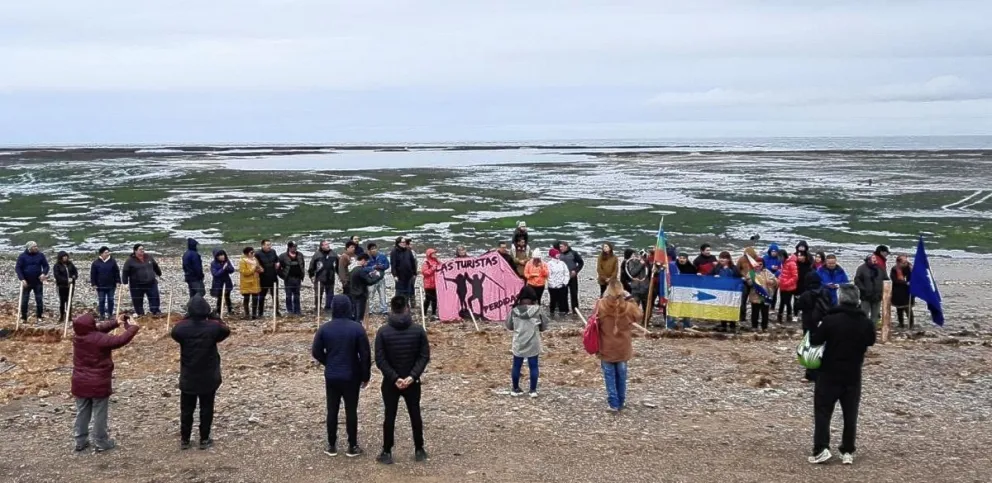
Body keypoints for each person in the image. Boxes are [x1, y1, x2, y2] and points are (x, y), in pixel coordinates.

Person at [808, 284, 876, 465]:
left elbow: (815, 340)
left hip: (829, 372)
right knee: (850, 413)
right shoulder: (866, 322)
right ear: (858, 300)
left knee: (823, 411)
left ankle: (821, 448)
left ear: (840, 298)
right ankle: (847, 451)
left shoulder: (830, 320)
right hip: (853, 373)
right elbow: (871, 340)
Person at [312, 295, 372, 458]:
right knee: (351, 410)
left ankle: (331, 445)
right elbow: (365, 354)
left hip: (332, 374)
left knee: (332, 409)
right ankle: (352, 445)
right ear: (348, 307)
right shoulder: (357, 328)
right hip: (352, 374)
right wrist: (365, 375)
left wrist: (328, 362)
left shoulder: (324, 328)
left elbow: (316, 352)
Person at [70, 312, 139, 453]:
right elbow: (119, 341)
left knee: (82, 412)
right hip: (98, 382)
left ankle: (80, 441)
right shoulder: (99, 339)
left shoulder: (78, 337)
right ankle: (101, 442)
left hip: (80, 382)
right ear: (90, 325)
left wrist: (115, 322)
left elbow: (96, 330)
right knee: (100, 414)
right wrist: (133, 328)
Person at [374, 296, 431, 465]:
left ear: (391, 309)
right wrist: (412, 376)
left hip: (391, 382)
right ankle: (419, 449)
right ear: (407, 307)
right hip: (412, 382)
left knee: (389, 416)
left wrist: (394, 377)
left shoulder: (383, 332)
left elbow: (380, 359)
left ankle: (387, 450)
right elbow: (424, 356)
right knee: (415, 414)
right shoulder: (418, 330)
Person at [170, 295, 231, 450]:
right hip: (208, 374)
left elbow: (175, 333)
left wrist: (187, 318)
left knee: (186, 409)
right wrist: (214, 317)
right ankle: (204, 439)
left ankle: (185, 439)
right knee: (206, 408)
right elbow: (225, 331)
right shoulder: (213, 327)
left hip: (189, 374)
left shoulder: (181, 328)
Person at [597, 279, 643, 413]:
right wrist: (630, 298)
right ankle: (621, 401)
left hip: (606, 346)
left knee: (609, 376)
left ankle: (613, 403)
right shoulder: (628, 306)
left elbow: (593, 322)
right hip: (623, 347)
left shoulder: (601, 305)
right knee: (621, 375)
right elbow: (639, 315)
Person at [505, 286, 547, 398]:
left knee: (516, 365)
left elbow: (509, 326)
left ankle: (515, 388)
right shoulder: (537, 310)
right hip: (533, 342)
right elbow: (544, 326)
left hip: (519, 341)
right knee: (533, 366)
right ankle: (533, 390)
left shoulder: (514, 311)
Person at [795, 272, 833, 382]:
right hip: (824, 322)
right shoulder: (826, 292)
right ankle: (824, 371)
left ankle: (810, 374)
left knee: (810, 348)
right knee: (824, 346)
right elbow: (831, 304)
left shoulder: (806, 294)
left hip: (809, 323)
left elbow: (798, 306)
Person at [121, 244, 162, 316]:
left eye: (143, 249)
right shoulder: (130, 261)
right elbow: (125, 271)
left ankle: (155, 311)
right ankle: (140, 314)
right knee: (137, 300)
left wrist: (159, 273)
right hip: (136, 285)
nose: (142, 250)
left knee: (154, 297)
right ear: (135, 251)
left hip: (151, 282)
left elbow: (155, 266)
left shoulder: (148, 257)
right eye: (140, 249)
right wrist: (125, 283)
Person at [16, 241, 49, 322]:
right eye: (34, 246)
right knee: (24, 300)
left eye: (36, 246)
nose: (36, 248)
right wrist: (22, 279)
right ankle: (24, 317)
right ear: (29, 248)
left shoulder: (40, 255)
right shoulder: (22, 256)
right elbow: (18, 268)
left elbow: (46, 266)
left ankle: (39, 316)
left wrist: (43, 273)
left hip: (38, 281)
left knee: (39, 299)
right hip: (26, 282)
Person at [710, 251, 742, 332]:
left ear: (728, 259)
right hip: (721, 291)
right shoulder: (717, 267)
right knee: (722, 307)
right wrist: (714, 277)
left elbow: (738, 278)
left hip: (732, 292)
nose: (721, 259)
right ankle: (723, 324)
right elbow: (709, 275)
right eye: (720, 257)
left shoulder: (733, 268)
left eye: (724, 258)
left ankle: (732, 325)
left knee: (732, 307)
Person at [745, 259, 778, 331]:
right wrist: (752, 281)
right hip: (755, 296)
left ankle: (764, 327)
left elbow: (775, 280)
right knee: (755, 312)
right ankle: (754, 326)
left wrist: (771, 281)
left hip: (765, 295)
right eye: (757, 264)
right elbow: (748, 283)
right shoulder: (751, 273)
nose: (758, 266)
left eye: (760, 264)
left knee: (765, 313)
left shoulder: (767, 272)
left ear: (763, 265)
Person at [89, 247, 121, 321]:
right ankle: (102, 315)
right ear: (101, 253)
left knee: (111, 300)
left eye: (108, 252)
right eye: (106, 252)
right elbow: (93, 274)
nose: (107, 253)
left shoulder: (112, 261)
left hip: (111, 285)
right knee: (101, 300)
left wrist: (118, 281)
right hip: (100, 286)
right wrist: (93, 284)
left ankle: (110, 314)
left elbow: (117, 272)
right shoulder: (96, 263)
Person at [348, 254, 381, 323]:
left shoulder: (353, 269)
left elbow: (361, 278)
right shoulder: (361, 270)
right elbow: (369, 281)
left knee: (354, 312)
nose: (366, 264)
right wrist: (377, 276)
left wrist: (369, 275)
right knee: (359, 315)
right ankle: (357, 329)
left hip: (353, 293)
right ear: (363, 260)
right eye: (366, 262)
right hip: (360, 294)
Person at [854, 254, 886, 324]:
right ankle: (864, 331)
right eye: (873, 259)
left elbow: (885, 279)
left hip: (877, 296)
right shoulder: (861, 268)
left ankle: (873, 331)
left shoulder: (880, 268)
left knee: (875, 316)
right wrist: (863, 289)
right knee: (864, 314)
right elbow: (857, 280)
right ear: (868, 260)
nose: (875, 260)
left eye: (875, 259)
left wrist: (883, 291)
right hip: (866, 296)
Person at [308, 240, 338, 312]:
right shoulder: (317, 255)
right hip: (320, 278)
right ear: (322, 246)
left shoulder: (333, 254)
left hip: (331, 277)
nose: (328, 245)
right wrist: (311, 275)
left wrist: (339, 274)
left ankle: (328, 307)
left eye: (328, 244)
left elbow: (337, 266)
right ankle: (317, 308)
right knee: (318, 294)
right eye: (326, 244)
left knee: (330, 294)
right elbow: (311, 266)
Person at [278, 242, 306, 315]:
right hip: (288, 279)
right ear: (289, 247)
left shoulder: (300, 255)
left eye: (295, 246)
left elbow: (303, 265)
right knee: (288, 295)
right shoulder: (282, 256)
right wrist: (283, 276)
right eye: (293, 247)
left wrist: (302, 274)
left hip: (298, 278)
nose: (295, 248)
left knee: (297, 295)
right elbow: (278, 268)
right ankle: (289, 310)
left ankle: (298, 310)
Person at [255, 239, 280, 317]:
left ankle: (276, 311)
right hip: (263, 278)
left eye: (270, 245)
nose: (269, 246)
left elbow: (277, 259)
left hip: (273, 277)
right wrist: (259, 269)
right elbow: (255, 265)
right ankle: (260, 312)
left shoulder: (273, 251)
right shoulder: (258, 254)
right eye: (267, 245)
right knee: (262, 296)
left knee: (275, 295)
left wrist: (277, 263)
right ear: (263, 245)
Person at [390, 237, 417, 308]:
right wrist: (395, 275)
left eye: (405, 242)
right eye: (403, 242)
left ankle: (405, 305)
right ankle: (397, 307)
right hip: (399, 276)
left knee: (408, 292)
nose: (404, 243)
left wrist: (414, 273)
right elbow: (393, 265)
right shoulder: (394, 252)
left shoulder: (408, 250)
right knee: (399, 292)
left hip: (408, 275)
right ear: (398, 243)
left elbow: (412, 262)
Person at [559, 242, 585, 312]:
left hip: (572, 276)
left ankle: (575, 309)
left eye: (561, 247)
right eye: (560, 247)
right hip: (563, 277)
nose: (560, 248)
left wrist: (576, 271)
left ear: (566, 246)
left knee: (574, 293)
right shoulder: (559, 254)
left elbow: (581, 263)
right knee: (563, 294)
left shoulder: (573, 253)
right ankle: (564, 309)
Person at [53, 251, 79, 322]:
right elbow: (57, 276)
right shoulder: (57, 266)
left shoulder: (70, 264)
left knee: (69, 301)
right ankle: (62, 316)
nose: (65, 258)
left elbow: (75, 272)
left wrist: (74, 277)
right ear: (60, 258)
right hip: (61, 286)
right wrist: (66, 280)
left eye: (66, 256)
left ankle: (69, 317)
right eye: (63, 256)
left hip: (70, 286)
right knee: (62, 301)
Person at [366, 243, 391, 315]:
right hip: (371, 279)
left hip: (380, 278)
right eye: (372, 249)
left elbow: (387, 265)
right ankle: (370, 310)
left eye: (375, 248)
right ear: (369, 250)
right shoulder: (367, 258)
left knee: (382, 294)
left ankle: (384, 309)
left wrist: (381, 267)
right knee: (370, 294)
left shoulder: (382, 256)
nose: (374, 250)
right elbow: (364, 267)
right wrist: (372, 268)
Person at [209, 249, 235, 316]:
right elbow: (215, 274)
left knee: (227, 296)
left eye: (223, 255)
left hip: (227, 281)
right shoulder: (213, 263)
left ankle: (230, 310)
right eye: (220, 255)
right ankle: (219, 311)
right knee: (220, 297)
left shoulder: (226, 261)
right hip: (218, 283)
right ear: (216, 257)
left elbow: (232, 270)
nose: (222, 256)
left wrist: (227, 267)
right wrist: (223, 269)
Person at [890, 255, 914, 329]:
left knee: (908, 309)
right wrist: (905, 283)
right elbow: (895, 280)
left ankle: (911, 324)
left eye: (906, 261)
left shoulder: (910, 268)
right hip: (898, 292)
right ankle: (901, 323)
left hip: (908, 292)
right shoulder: (894, 269)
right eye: (903, 262)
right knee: (899, 309)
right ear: (898, 262)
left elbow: (914, 277)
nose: (905, 263)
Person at [546, 248, 570, 317]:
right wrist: (553, 284)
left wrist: (565, 282)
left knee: (562, 299)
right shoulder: (549, 264)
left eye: (558, 253)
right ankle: (552, 312)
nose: (558, 255)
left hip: (562, 285)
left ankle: (562, 312)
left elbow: (566, 272)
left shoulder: (562, 263)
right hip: (553, 286)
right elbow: (548, 275)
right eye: (557, 254)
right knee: (553, 300)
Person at [239, 247, 262, 319]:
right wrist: (253, 268)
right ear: (247, 253)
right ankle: (247, 314)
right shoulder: (242, 261)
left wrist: (260, 269)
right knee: (246, 298)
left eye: (253, 252)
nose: (253, 254)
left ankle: (254, 315)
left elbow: (259, 268)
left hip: (255, 282)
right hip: (246, 283)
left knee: (255, 299)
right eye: (251, 252)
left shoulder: (255, 259)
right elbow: (244, 272)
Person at [778, 251, 799, 323]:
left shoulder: (791, 263)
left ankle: (789, 316)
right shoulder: (783, 263)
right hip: (782, 286)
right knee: (781, 302)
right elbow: (782, 273)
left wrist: (787, 283)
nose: (779, 258)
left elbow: (795, 277)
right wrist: (779, 279)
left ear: (784, 256)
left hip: (789, 287)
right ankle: (779, 316)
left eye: (780, 257)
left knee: (787, 302)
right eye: (778, 257)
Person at [421, 249, 441, 319]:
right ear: (429, 254)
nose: (435, 254)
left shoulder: (437, 262)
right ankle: (424, 313)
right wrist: (432, 269)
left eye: (435, 253)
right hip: (428, 284)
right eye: (433, 253)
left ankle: (433, 313)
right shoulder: (426, 263)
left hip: (436, 284)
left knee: (435, 299)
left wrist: (439, 262)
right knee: (428, 299)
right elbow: (425, 273)